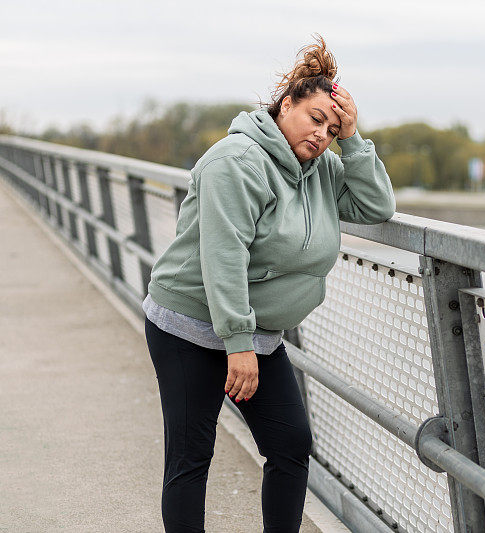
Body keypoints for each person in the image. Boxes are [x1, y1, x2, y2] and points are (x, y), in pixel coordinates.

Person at [141, 34, 395, 533]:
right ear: (284, 106)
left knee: (290, 445)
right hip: (189, 325)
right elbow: (223, 257)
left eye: (332, 126)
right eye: (314, 119)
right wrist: (237, 346)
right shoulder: (236, 161)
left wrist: (355, 139)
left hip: (256, 333)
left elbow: (377, 207)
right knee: (192, 456)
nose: (322, 134)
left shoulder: (320, 169)